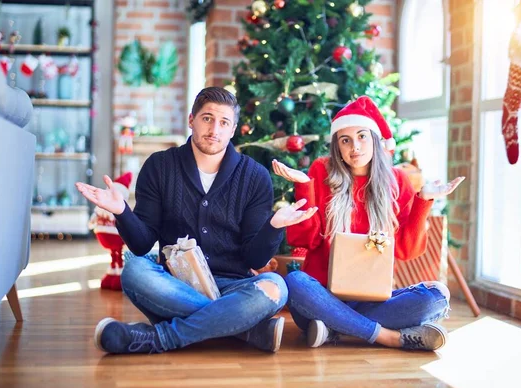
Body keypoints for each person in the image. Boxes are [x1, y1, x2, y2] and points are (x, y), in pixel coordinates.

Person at [76, 87, 317, 354]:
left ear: (233, 129)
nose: (215, 129)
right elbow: (142, 244)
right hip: (177, 283)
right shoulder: (159, 166)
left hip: (234, 284)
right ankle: (245, 329)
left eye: (224, 122)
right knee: (134, 271)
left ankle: (160, 338)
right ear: (191, 119)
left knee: (275, 287)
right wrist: (121, 210)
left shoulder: (255, 177)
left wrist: (274, 227)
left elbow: (254, 260)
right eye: (207, 118)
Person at [272, 96, 464, 351]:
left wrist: (423, 200)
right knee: (295, 282)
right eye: (345, 140)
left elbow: (408, 251)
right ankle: (387, 336)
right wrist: (304, 189)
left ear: (375, 139)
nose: (355, 147)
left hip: (372, 299)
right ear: (337, 146)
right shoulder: (322, 171)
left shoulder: (397, 180)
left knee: (437, 297)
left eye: (362, 136)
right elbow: (305, 240)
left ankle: (334, 328)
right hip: (323, 294)